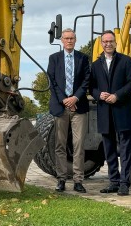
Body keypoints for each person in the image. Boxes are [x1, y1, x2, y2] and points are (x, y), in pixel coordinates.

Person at [90, 30, 131, 196]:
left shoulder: (126, 61)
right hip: (105, 111)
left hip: (122, 109)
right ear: (101, 44)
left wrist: (117, 95)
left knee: (125, 149)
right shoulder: (95, 65)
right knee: (108, 149)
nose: (108, 44)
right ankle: (114, 182)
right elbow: (92, 87)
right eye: (105, 41)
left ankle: (125, 183)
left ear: (115, 43)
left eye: (111, 41)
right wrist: (98, 95)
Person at [48, 28, 90, 193]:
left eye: (72, 38)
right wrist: (64, 100)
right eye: (66, 38)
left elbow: (87, 80)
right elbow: (52, 81)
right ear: (62, 41)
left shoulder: (83, 58)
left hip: (79, 107)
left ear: (75, 39)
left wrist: (75, 98)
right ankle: (61, 179)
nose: (69, 41)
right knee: (60, 144)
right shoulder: (54, 59)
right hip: (60, 107)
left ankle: (78, 181)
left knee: (78, 145)